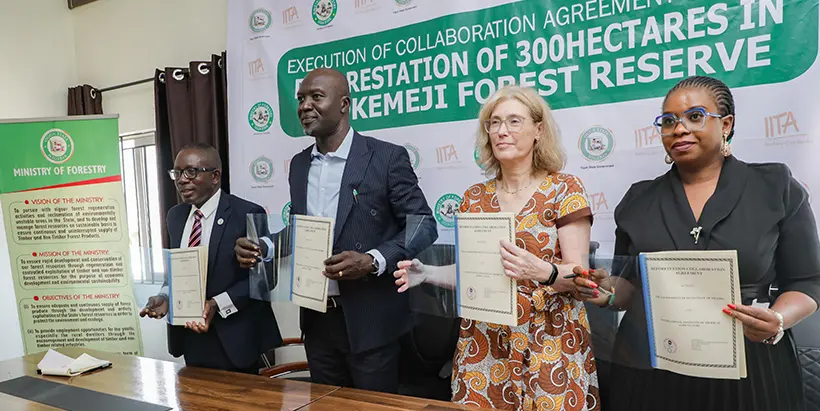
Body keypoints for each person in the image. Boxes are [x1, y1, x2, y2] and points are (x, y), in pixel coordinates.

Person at [574, 76, 820, 411]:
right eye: (669, 121)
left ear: (726, 124)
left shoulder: (775, 187)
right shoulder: (638, 200)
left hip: (749, 367)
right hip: (652, 369)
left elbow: (807, 281)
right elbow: (632, 287)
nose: (679, 129)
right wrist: (610, 292)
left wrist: (777, 319)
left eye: (695, 116)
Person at [394, 85, 600, 410]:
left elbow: (581, 278)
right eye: (494, 122)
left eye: (514, 121)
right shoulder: (475, 198)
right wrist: (427, 273)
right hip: (485, 344)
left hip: (549, 341)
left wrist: (542, 271)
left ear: (538, 130)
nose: (502, 131)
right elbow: (475, 275)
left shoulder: (565, 189)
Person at [234, 68, 437, 393]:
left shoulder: (385, 158)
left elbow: (424, 224)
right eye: (301, 98)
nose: (304, 106)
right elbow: (304, 229)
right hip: (317, 322)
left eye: (316, 97)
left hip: (371, 322)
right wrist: (266, 247)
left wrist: (373, 260)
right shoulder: (300, 166)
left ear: (344, 104)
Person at [140, 143, 282, 373]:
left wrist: (216, 304)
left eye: (191, 172)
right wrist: (165, 296)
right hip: (189, 338)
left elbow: (265, 280)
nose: (181, 180)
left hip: (236, 340)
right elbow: (178, 270)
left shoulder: (246, 213)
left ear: (215, 176)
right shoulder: (175, 217)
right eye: (177, 173)